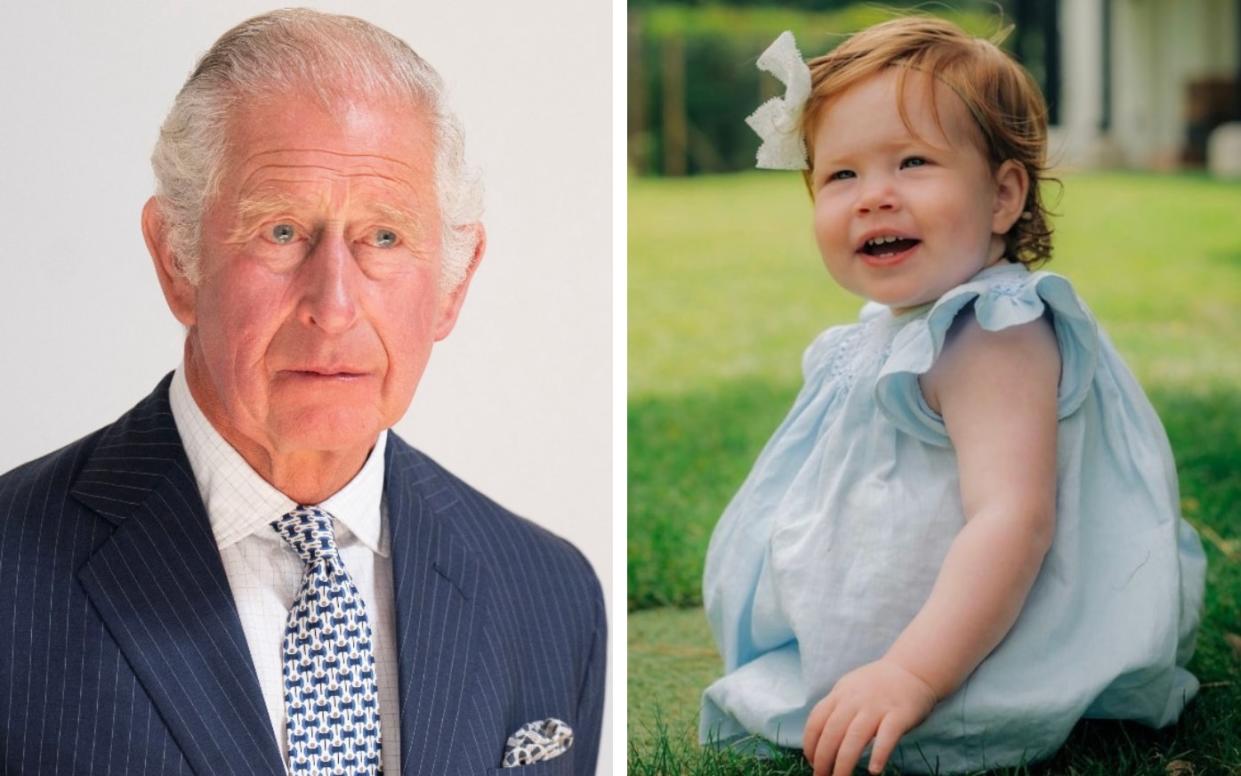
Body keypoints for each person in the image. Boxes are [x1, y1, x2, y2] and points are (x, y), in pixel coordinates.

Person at [0, 9, 605, 775]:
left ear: (455, 281)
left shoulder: (550, 593)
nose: (335, 304)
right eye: (280, 231)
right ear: (177, 260)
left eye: (383, 237)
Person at [700, 17, 1205, 776]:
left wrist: (911, 673)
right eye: (841, 175)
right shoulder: (892, 327)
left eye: (911, 162)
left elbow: (1013, 519)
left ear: (1002, 196)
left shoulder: (993, 333)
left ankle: (923, 679)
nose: (873, 197)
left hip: (970, 644)